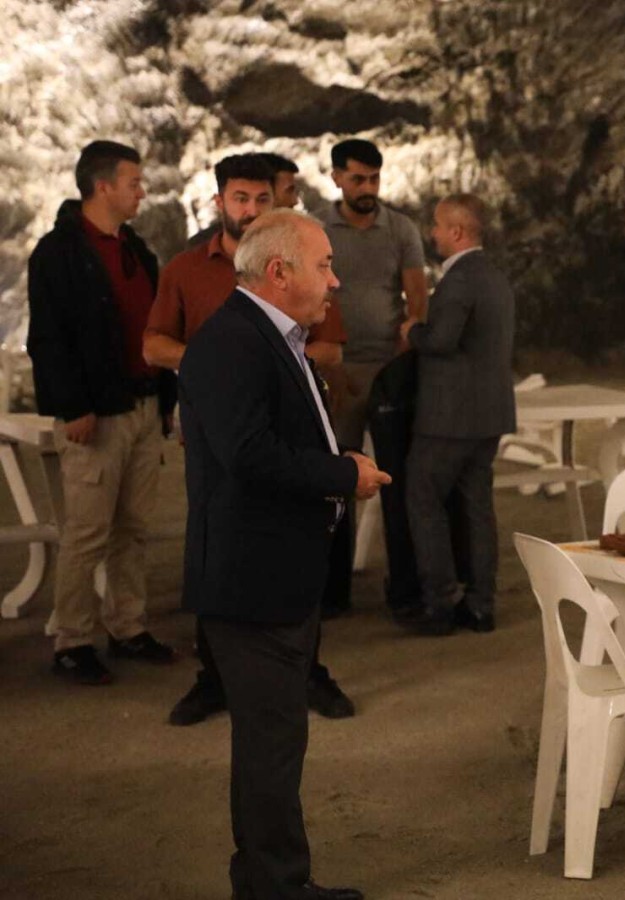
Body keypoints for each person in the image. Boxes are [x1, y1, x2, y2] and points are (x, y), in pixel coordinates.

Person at [178, 208, 389, 900]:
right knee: (269, 746)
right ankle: (275, 888)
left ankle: (273, 882)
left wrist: (338, 466)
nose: (335, 280)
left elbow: (280, 439)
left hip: (275, 572)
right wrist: (343, 474)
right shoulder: (233, 342)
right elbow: (249, 455)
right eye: (324, 265)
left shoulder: (269, 336)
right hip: (251, 579)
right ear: (279, 272)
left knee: (274, 742)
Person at [144, 153, 354, 725]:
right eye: (241, 198)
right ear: (220, 201)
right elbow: (154, 344)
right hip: (227, 445)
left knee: (290, 568)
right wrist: (217, 379)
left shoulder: (302, 267)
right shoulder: (189, 271)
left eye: (264, 199)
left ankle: (306, 672)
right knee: (227, 548)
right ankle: (215, 677)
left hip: (283, 442)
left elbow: (327, 347)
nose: (252, 209)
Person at [26, 140, 177, 685]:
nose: (142, 192)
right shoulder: (58, 252)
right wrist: (74, 406)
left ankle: (127, 626)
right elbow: (48, 338)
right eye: (134, 183)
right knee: (88, 531)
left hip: (143, 404)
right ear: (103, 185)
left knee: (132, 527)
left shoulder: (135, 249)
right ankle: (72, 640)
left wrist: (165, 401)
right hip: (97, 412)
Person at [316, 138, 428, 617]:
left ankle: (404, 588)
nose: (367, 188)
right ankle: (332, 592)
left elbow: (417, 299)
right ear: (337, 177)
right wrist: (327, 365)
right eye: (358, 178)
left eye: (374, 179)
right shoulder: (318, 230)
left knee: (398, 479)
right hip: (336, 371)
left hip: (388, 371)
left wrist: (401, 363)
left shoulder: (400, 229)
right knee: (335, 478)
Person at [398, 195, 516, 635]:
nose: (432, 233)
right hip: (490, 414)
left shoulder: (459, 280)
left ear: (457, 232)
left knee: (424, 501)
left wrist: (413, 331)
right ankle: (481, 606)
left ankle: (439, 604)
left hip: (448, 417)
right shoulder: (496, 278)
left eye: (437, 225)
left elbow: (441, 340)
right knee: (478, 508)